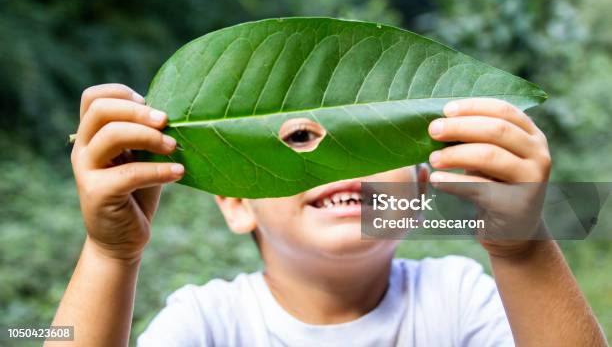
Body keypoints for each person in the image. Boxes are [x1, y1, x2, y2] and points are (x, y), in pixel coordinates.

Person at [47, 83, 606, 346]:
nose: (336, 162)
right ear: (236, 202)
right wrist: (110, 254)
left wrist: (522, 241)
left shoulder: (458, 298)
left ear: (421, 190)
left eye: (371, 143)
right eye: (295, 140)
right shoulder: (207, 322)